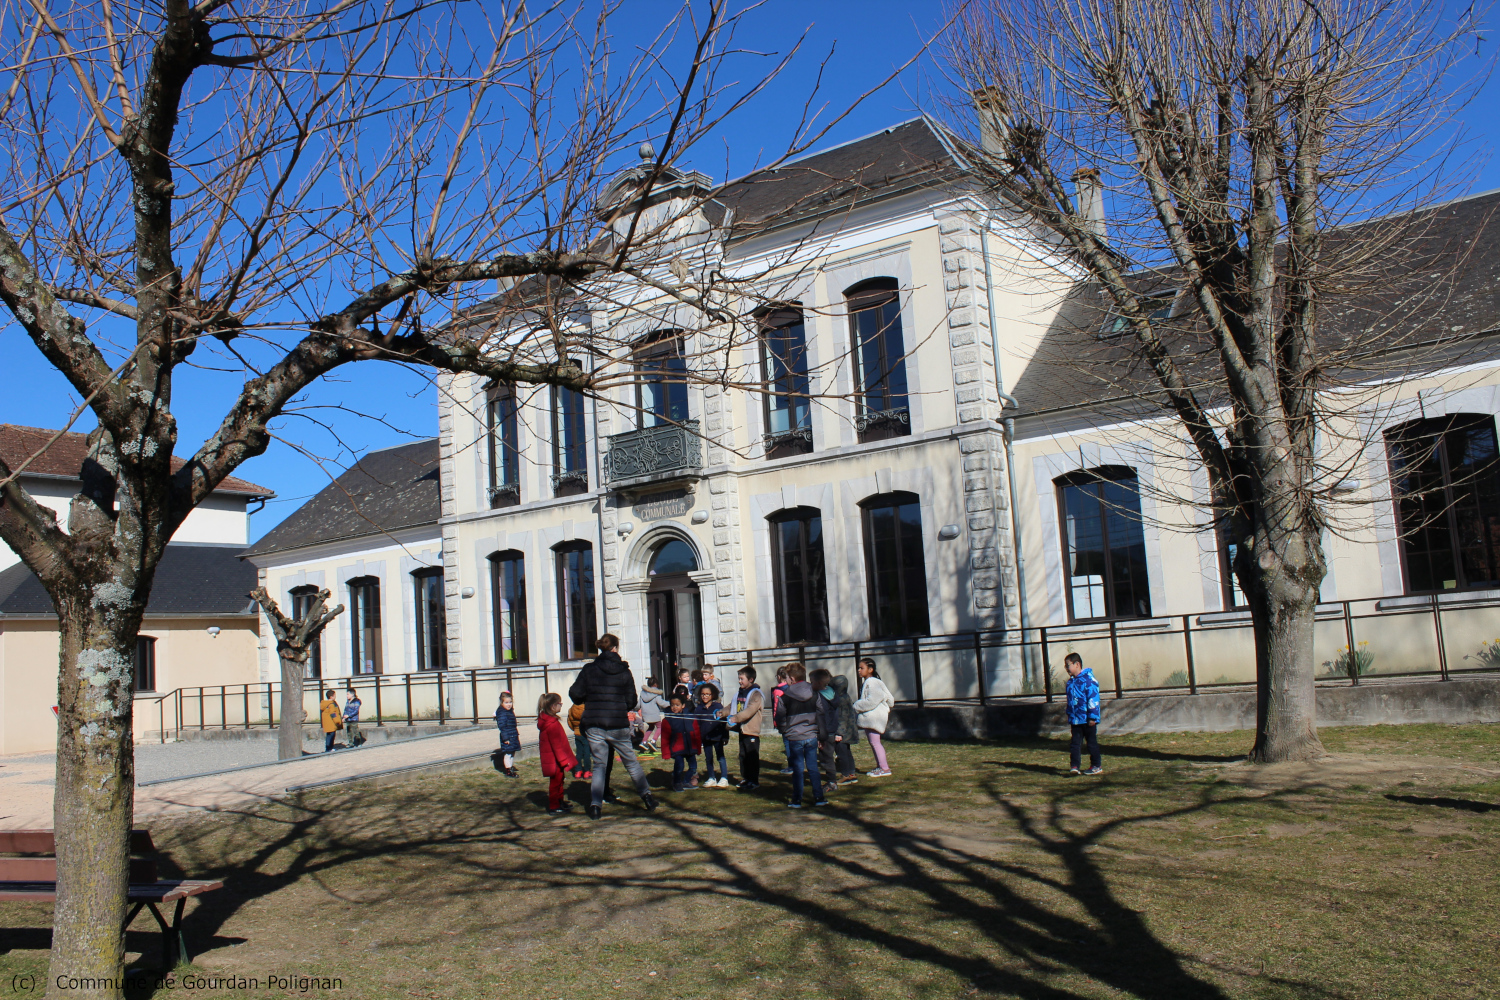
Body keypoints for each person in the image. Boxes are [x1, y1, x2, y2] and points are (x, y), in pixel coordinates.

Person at [567, 633, 658, 819]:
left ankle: (595, 805)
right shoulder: (624, 672)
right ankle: (647, 797)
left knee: (599, 765)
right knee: (630, 762)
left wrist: (590, 697)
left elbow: (575, 693)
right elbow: (632, 701)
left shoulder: (589, 669)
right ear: (615, 648)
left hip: (594, 722)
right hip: (617, 722)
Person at [773, 663, 827, 808]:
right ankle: (819, 797)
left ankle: (797, 799)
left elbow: (780, 717)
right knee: (813, 768)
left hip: (794, 736)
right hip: (811, 735)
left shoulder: (785, 697)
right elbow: (821, 714)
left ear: (791, 678)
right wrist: (822, 736)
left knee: (797, 770)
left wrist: (785, 730)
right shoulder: (815, 694)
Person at [852, 658, 895, 777]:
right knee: (874, 742)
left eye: (862, 668)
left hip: (873, 719)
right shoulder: (875, 682)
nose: (859, 670)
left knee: (875, 743)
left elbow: (872, 701)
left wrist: (856, 706)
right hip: (873, 718)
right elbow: (890, 700)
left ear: (870, 669)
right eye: (859, 668)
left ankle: (884, 768)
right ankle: (880, 766)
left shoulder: (872, 682)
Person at [536, 693, 577, 815]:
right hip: (554, 761)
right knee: (555, 783)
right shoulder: (552, 724)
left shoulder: (548, 721)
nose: (561, 706)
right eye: (560, 704)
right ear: (553, 706)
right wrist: (564, 761)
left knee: (560, 781)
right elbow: (556, 746)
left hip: (554, 760)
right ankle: (554, 805)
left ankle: (560, 801)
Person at [1064, 652, 1103, 776]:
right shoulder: (1071, 683)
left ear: (1077, 664)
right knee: (1075, 743)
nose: (1066, 668)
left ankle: (1096, 765)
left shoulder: (1088, 680)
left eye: (1068, 665)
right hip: (1076, 719)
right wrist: (1070, 714)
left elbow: (1093, 698)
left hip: (1087, 719)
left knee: (1091, 743)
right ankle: (1074, 766)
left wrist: (1093, 717)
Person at [728, 666, 764, 790]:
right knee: (743, 756)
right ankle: (746, 778)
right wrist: (721, 712)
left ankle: (753, 781)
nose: (739, 681)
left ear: (751, 679)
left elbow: (750, 710)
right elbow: (731, 705)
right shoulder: (739, 693)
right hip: (742, 730)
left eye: (742, 679)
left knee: (751, 758)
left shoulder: (756, 695)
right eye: (739, 679)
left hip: (751, 732)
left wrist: (735, 718)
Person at [660, 693, 702, 791]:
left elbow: (696, 733)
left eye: (677, 705)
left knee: (693, 767)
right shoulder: (668, 720)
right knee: (679, 767)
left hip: (690, 747)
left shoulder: (691, 717)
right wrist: (666, 753)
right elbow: (665, 738)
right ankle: (676, 782)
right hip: (677, 748)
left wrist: (698, 747)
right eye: (672, 705)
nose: (674, 707)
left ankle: (686, 782)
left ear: (683, 705)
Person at [695, 683, 729, 787]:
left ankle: (724, 778)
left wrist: (725, 736)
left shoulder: (718, 707)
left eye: (707, 694)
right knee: (708, 758)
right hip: (705, 738)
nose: (705, 696)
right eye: (703, 694)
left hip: (717, 736)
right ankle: (711, 777)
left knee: (720, 757)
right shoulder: (698, 709)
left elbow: (724, 723)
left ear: (713, 695)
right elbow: (697, 725)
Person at [829, 674, 860, 785]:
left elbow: (841, 718)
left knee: (841, 754)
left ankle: (845, 775)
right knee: (847, 753)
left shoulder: (840, 700)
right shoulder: (846, 697)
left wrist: (839, 733)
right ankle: (852, 773)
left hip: (842, 733)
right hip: (849, 732)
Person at [639, 676, 669, 753]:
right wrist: (671, 704)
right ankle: (653, 741)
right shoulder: (656, 693)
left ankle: (644, 741)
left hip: (645, 715)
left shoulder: (643, 693)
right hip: (654, 715)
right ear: (656, 684)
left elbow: (638, 705)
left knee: (651, 727)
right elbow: (661, 703)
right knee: (660, 727)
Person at [772, 665, 793, 775]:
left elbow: (777, 707)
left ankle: (791, 766)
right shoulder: (791, 688)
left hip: (784, 721)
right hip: (793, 719)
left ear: (779, 677)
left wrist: (776, 721)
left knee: (787, 743)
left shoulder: (778, 690)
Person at [494, 691, 521, 777]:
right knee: (508, 753)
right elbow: (502, 726)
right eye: (506, 702)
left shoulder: (509, 711)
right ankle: (508, 770)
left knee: (512, 752)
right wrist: (506, 738)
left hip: (512, 734)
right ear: (502, 703)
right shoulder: (502, 713)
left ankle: (510, 766)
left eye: (510, 702)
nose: (509, 704)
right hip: (508, 735)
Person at [567, 700, 592, 779]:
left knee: (579, 753)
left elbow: (569, 721)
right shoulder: (587, 708)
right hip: (586, 733)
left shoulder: (572, 708)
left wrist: (574, 729)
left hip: (577, 733)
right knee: (587, 753)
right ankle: (587, 771)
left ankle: (578, 771)